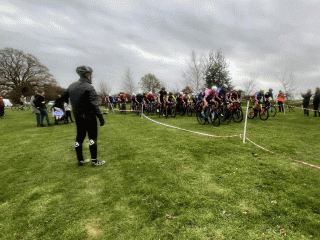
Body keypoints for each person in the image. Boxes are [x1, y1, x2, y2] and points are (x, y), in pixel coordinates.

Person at [59, 66, 105, 167]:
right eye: (91, 74)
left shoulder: (71, 86)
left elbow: (62, 98)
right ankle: (94, 161)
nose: (92, 76)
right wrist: (100, 117)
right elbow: (94, 104)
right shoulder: (89, 87)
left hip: (78, 117)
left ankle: (80, 160)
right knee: (92, 138)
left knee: (79, 138)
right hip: (89, 117)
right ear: (87, 75)